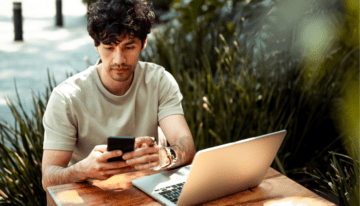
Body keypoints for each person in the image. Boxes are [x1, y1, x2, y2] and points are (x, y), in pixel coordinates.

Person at [41, 0, 196, 195]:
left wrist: (166, 156)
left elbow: (186, 145)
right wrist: (82, 170)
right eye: (109, 47)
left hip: (146, 194)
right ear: (96, 45)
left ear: (144, 43)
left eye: (129, 47)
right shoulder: (66, 98)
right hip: (90, 197)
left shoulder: (159, 81)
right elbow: (48, 178)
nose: (119, 60)